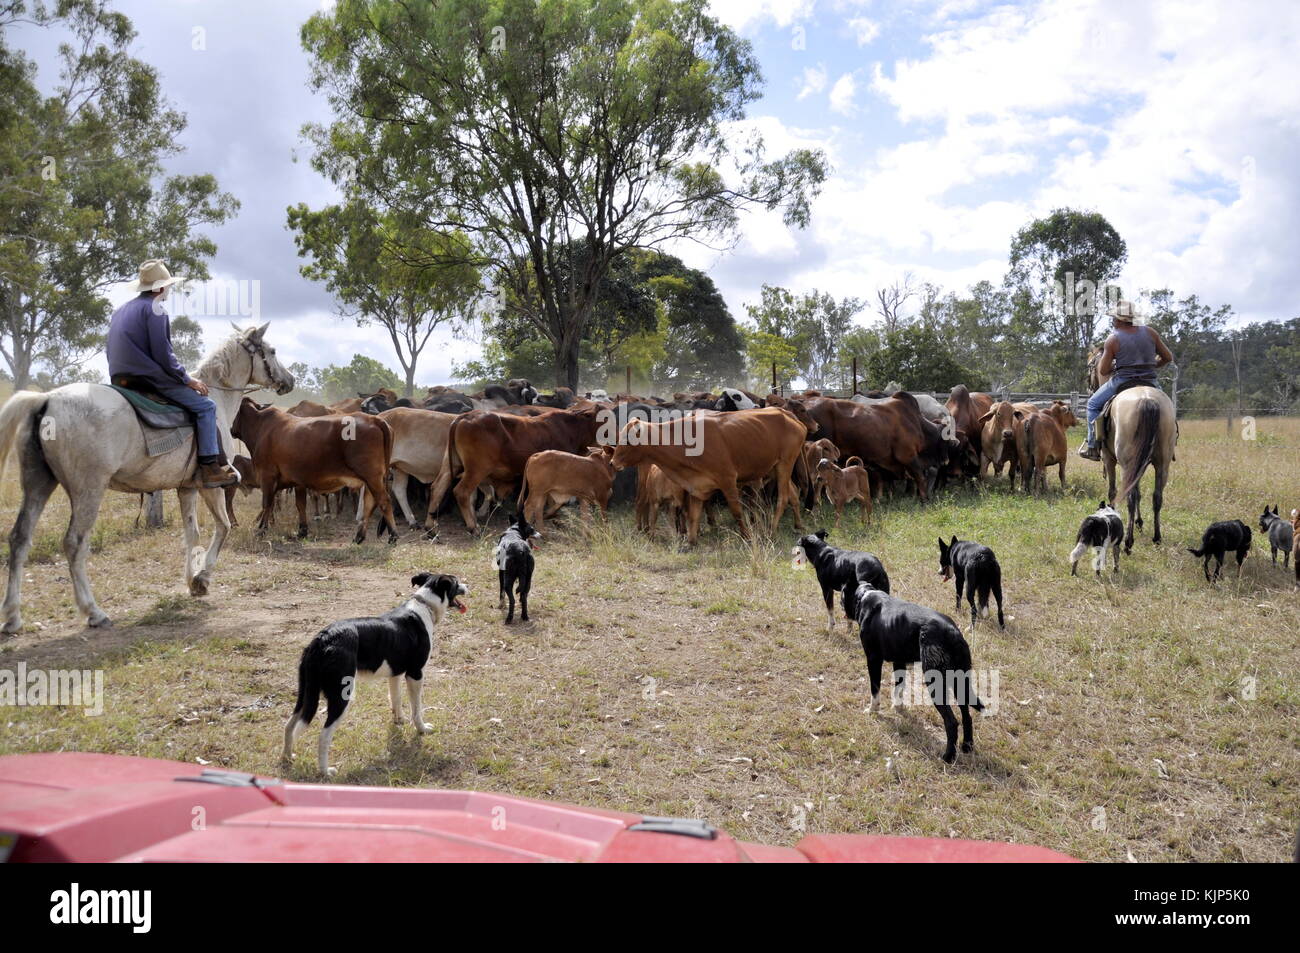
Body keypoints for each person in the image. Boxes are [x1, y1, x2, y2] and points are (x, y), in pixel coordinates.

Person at [106, 259, 239, 488]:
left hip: (119, 378)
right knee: (206, 407)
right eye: (167, 286)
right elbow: (164, 356)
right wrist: (188, 379)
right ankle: (209, 467)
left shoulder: (121, 310)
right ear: (158, 288)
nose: (169, 290)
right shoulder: (156, 309)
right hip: (148, 379)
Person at [1078, 299, 1174, 461]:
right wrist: (1153, 366)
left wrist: (1116, 366)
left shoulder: (1113, 339)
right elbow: (1168, 357)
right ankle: (1169, 445)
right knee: (1168, 408)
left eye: (1114, 318)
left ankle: (1093, 445)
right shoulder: (1151, 332)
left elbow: (1103, 370)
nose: (1113, 322)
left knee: (1093, 404)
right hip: (1150, 381)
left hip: (1122, 381)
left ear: (1120, 320)